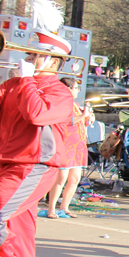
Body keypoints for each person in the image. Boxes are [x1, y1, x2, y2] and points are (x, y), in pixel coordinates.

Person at [0, 24, 75, 257]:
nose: (30, 58)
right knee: (18, 235)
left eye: (36, 55)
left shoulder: (60, 92)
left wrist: (28, 81)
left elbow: (37, 114)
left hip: (34, 165)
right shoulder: (18, 82)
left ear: (54, 61)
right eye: (31, 53)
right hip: (7, 162)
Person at [45, 77, 94, 219]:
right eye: (76, 88)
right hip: (65, 145)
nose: (78, 90)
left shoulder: (75, 105)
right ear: (68, 88)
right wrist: (82, 116)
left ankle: (64, 207)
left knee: (74, 179)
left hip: (78, 146)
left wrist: (88, 118)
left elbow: (81, 123)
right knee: (61, 179)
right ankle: (51, 208)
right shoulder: (61, 103)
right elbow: (65, 121)